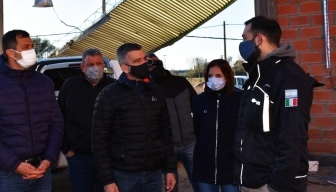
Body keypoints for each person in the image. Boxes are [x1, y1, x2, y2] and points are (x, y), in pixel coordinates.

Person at [0, 29, 64, 192]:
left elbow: (56, 124)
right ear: (11, 53)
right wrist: (15, 165)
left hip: (43, 170)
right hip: (8, 175)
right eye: (26, 47)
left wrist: (49, 158)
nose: (32, 51)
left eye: (32, 46)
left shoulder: (44, 82)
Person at [233, 16, 314, 192]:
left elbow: (293, 135)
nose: (242, 44)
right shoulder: (258, 76)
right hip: (252, 179)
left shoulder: (289, 77)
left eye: (245, 38)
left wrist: (277, 185)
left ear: (259, 39)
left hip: (272, 184)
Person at [92, 43, 177, 192]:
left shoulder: (156, 91)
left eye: (144, 59)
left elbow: (166, 133)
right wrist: (107, 180)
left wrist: (170, 169)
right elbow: (99, 141)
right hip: (123, 176)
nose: (144, 64)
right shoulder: (109, 95)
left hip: (154, 173)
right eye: (137, 62)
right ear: (125, 68)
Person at [58, 48, 116, 192]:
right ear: (82, 67)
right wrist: (66, 149)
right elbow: (59, 118)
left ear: (103, 65)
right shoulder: (70, 86)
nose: (95, 67)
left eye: (98, 63)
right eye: (90, 65)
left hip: (110, 158)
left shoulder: (114, 87)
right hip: (79, 158)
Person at [146, 53, 198, 192]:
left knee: (198, 181)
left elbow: (197, 107)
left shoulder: (181, 82)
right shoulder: (149, 89)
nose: (150, 66)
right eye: (147, 64)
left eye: (152, 63)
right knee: (171, 185)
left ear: (160, 63)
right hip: (167, 146)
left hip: (190, 142)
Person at [192, 59, 242, 192]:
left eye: (218, 75)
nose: (213, 79)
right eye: (210, 76)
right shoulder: (199, 100)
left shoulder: (240, 99)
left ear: (227, 76)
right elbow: (198, 130)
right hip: (205, 166)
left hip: (231, 167)